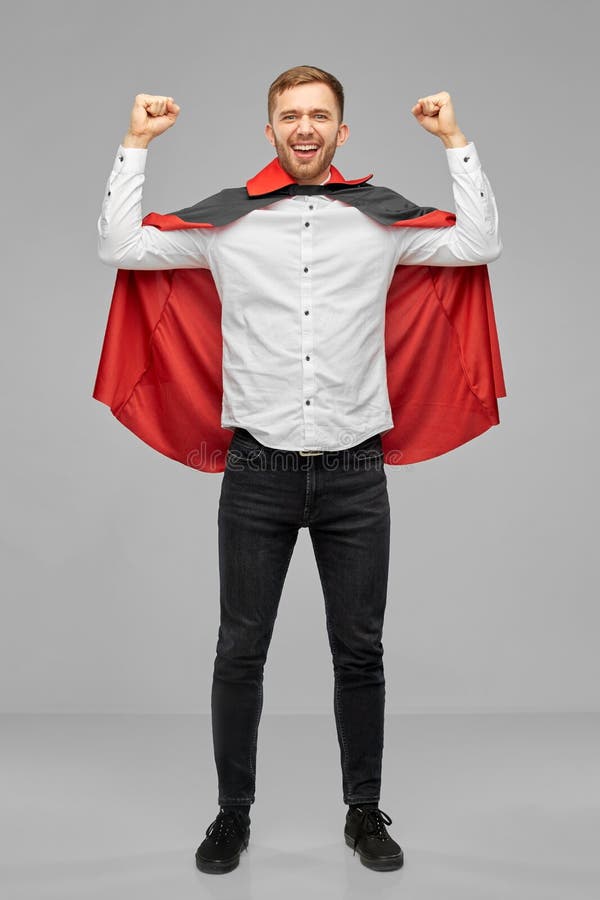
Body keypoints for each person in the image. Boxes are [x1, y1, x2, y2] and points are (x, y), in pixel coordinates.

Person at [96, 65, 502, 875]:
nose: (305, 127)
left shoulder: (381, 225)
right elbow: (121, 244)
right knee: (239, 651)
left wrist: (455, 141)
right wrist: (135, 144)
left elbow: (478, 242)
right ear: (272, 131)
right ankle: (230, 817)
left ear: (341, 134)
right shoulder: (227, 225)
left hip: (355, 469)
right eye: (290, 116)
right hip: (257, 469)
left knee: (360, 651)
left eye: (319, 115)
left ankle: (363, 814)